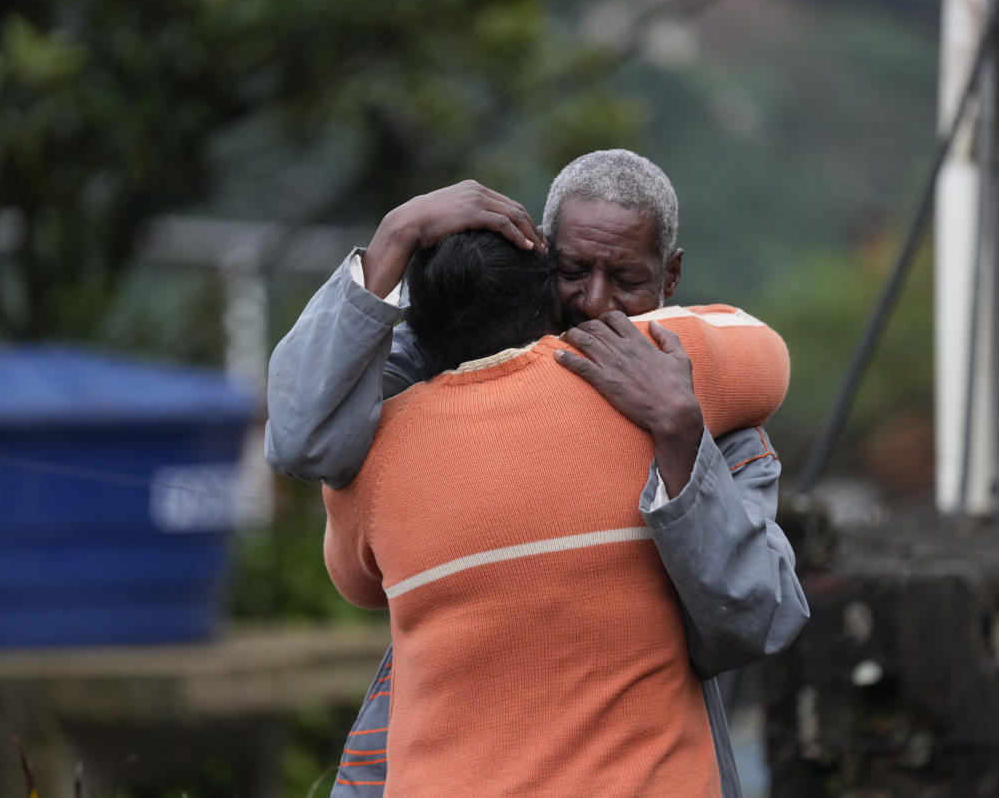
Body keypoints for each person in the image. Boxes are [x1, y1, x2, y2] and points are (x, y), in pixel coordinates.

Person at [265, 149, 808, 797]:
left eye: (626, 278)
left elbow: (754, 621)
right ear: (541, 255)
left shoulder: (703, 418)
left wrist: (681, 440)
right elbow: (299, 439)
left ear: (672, 275)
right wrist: (395, 237)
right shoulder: (447, 363)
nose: (594, 302)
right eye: (573, 270)